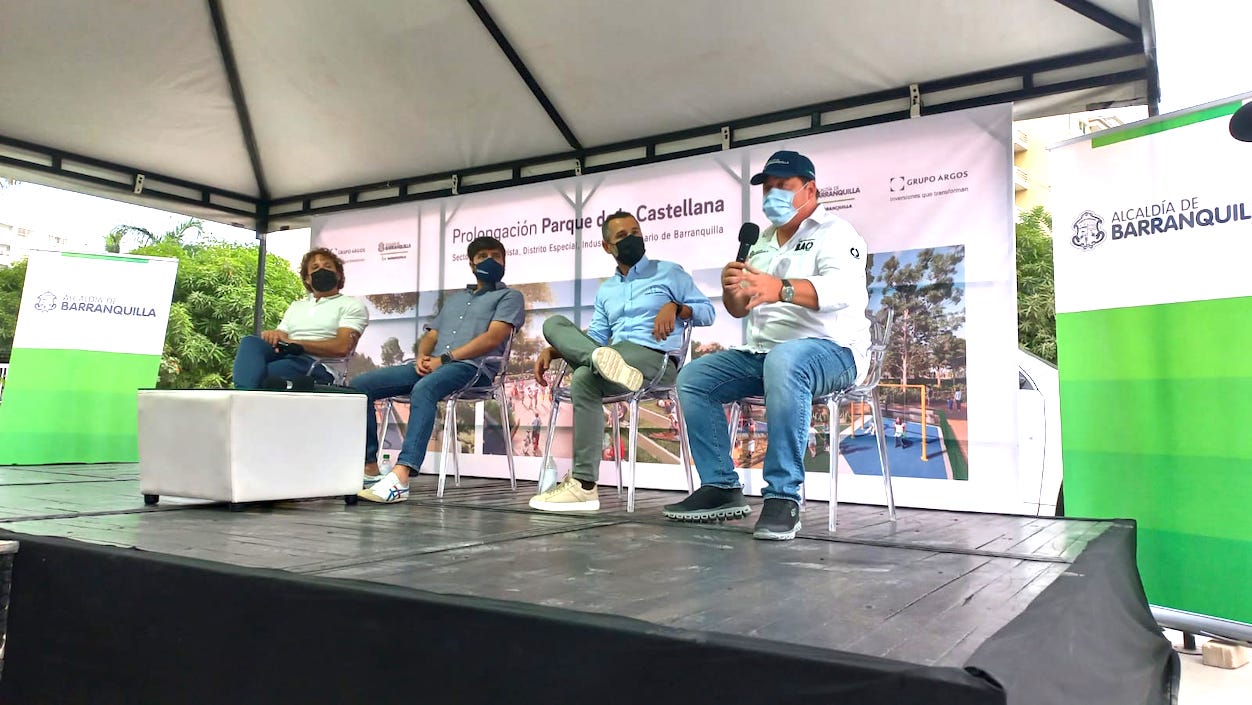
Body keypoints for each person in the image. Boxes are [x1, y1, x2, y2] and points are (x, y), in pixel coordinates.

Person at [663, 150, 872, 540]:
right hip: (765, 355)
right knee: (694, 376)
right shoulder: (759, 242)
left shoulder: (836, 232)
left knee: (786, 359)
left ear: (809, 189)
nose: (773, 195)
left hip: (831, 351)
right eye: (768, 188)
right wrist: (733, 291)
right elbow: (740, 308)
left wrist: (781, 288)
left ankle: (782, 495)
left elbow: (844, 290)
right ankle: (722, 487)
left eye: (783, 186)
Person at [528, 210, 715, 512]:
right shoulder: (607, 290)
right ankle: (585, 487)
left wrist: (677, 307)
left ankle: (583, 485)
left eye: (635, 232)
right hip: (614, 358)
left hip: (656, 359)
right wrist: (556, 350)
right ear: (607, 246)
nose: (632, 239)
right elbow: (599, 335)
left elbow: (708, 312)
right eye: (622, 236)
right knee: (555, 328)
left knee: (589, 372)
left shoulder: (670, 272)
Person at [352, 236, 525, 503]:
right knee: (360, 387)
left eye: (496, 255)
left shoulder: (510, 296)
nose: (490, 261)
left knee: (424, 389)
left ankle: (401, 476)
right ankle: (370, 469)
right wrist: (422, 355)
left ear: (504, 261)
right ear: (471, 264)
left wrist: (444, 360)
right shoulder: (455, 300)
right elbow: (432, 335)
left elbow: (493, 338)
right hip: (433, 365)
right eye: (482, 257)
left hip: (473, 368)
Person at [232, 248, 367, 389]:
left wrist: (296, 344)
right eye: (315, 268)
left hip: (318, 365)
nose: (322, 270)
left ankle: (242, 398)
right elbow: (281, 336)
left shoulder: (351, 305)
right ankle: (245, 395)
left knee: (262, 372)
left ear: (338, 275)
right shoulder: (297, 306)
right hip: (287, 356)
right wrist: (273, 335)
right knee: (250, 343)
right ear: (307, 279)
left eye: (327, 266)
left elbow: (341, 347)